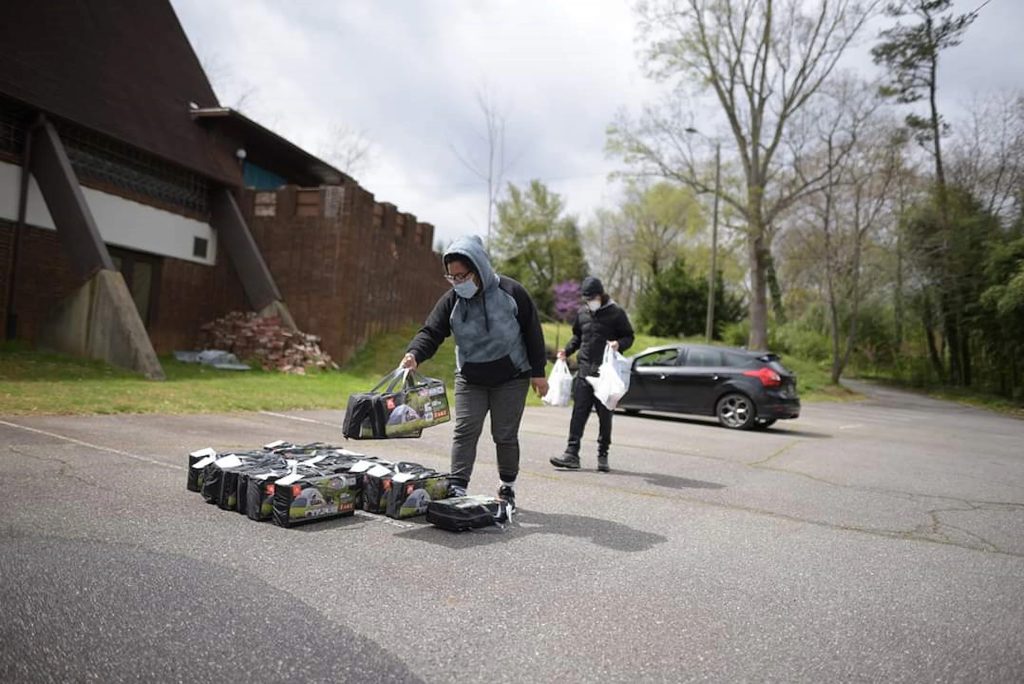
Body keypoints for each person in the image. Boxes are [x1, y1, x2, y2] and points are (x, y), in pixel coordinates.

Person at [400, 235, 548, 514]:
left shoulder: (511, 292)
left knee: (504, 435)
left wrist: (538, 374)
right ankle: (458, 486)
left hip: (512, 376)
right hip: (470, 377)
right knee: (465, 430)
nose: (457, 282)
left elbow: (532, 332)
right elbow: (431, 331)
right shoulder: (452, 300)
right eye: (451, 277)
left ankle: (507, 486)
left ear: (478, 268)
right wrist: (414, 354)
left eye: (462, 275)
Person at [550, 276, 634, 473]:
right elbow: (578, 336)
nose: (590, 301)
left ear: (601, 295)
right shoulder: (582, 312)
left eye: (593, 297)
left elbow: (629, 336)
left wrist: (619, 344)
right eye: (586, 298)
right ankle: (571, 454)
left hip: (605, 375)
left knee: (605, 417)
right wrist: (567, 351)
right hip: (584, 372)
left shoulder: (616, 313)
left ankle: (603, 454)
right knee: (578, 414)